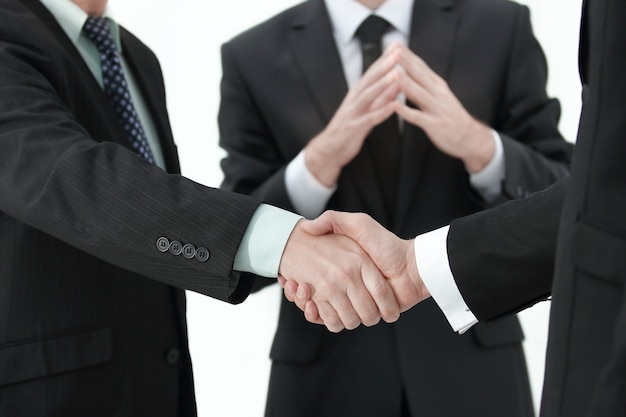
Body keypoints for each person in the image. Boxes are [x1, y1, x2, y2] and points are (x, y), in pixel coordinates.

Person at [0, 0, 405, 415]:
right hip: (47, 396)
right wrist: (284, 243)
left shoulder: (135, 56)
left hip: (154, 387)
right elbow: (74, 178)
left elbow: (146, 224)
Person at [218, 0, 572, 415]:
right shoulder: (251, 54)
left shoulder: (501, 25)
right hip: (326, 377)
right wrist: (318, 162)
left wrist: (480, 146)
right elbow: (236, 243)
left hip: (472, 370)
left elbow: (574, 198)